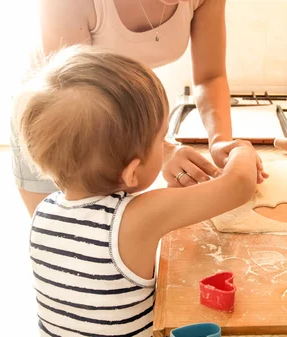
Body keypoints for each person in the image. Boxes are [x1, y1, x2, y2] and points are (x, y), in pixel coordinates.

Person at [15, 46, 257, 337]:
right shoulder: (135, 218)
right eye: (161, 138)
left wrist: (169, 194)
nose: (165, 146)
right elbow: (239, 185)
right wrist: (242, 148)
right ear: (131, 172)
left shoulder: (42, 212)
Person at [11, 0, 266, 215]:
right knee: (59, 234)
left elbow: (210, 77)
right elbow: (71, 95)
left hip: (117, 111)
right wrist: (165, 150)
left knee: (107, 236)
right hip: (57, 117)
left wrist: (220, 141)